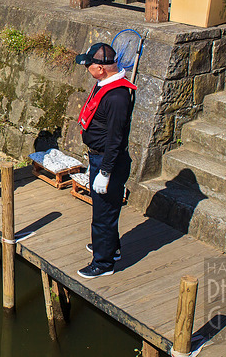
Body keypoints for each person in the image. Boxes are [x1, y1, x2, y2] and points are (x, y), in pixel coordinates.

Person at [74, 43, 136, 279]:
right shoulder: (105, 85)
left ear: (100, 68)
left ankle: (103, 262)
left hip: (109, 160)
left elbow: (116, 139)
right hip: (99, 156)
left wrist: (106, 171)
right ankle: (112, 247)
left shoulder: (118, 96)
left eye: (89, 65)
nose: (87, 68)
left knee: (102, 213)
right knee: (106, 209)